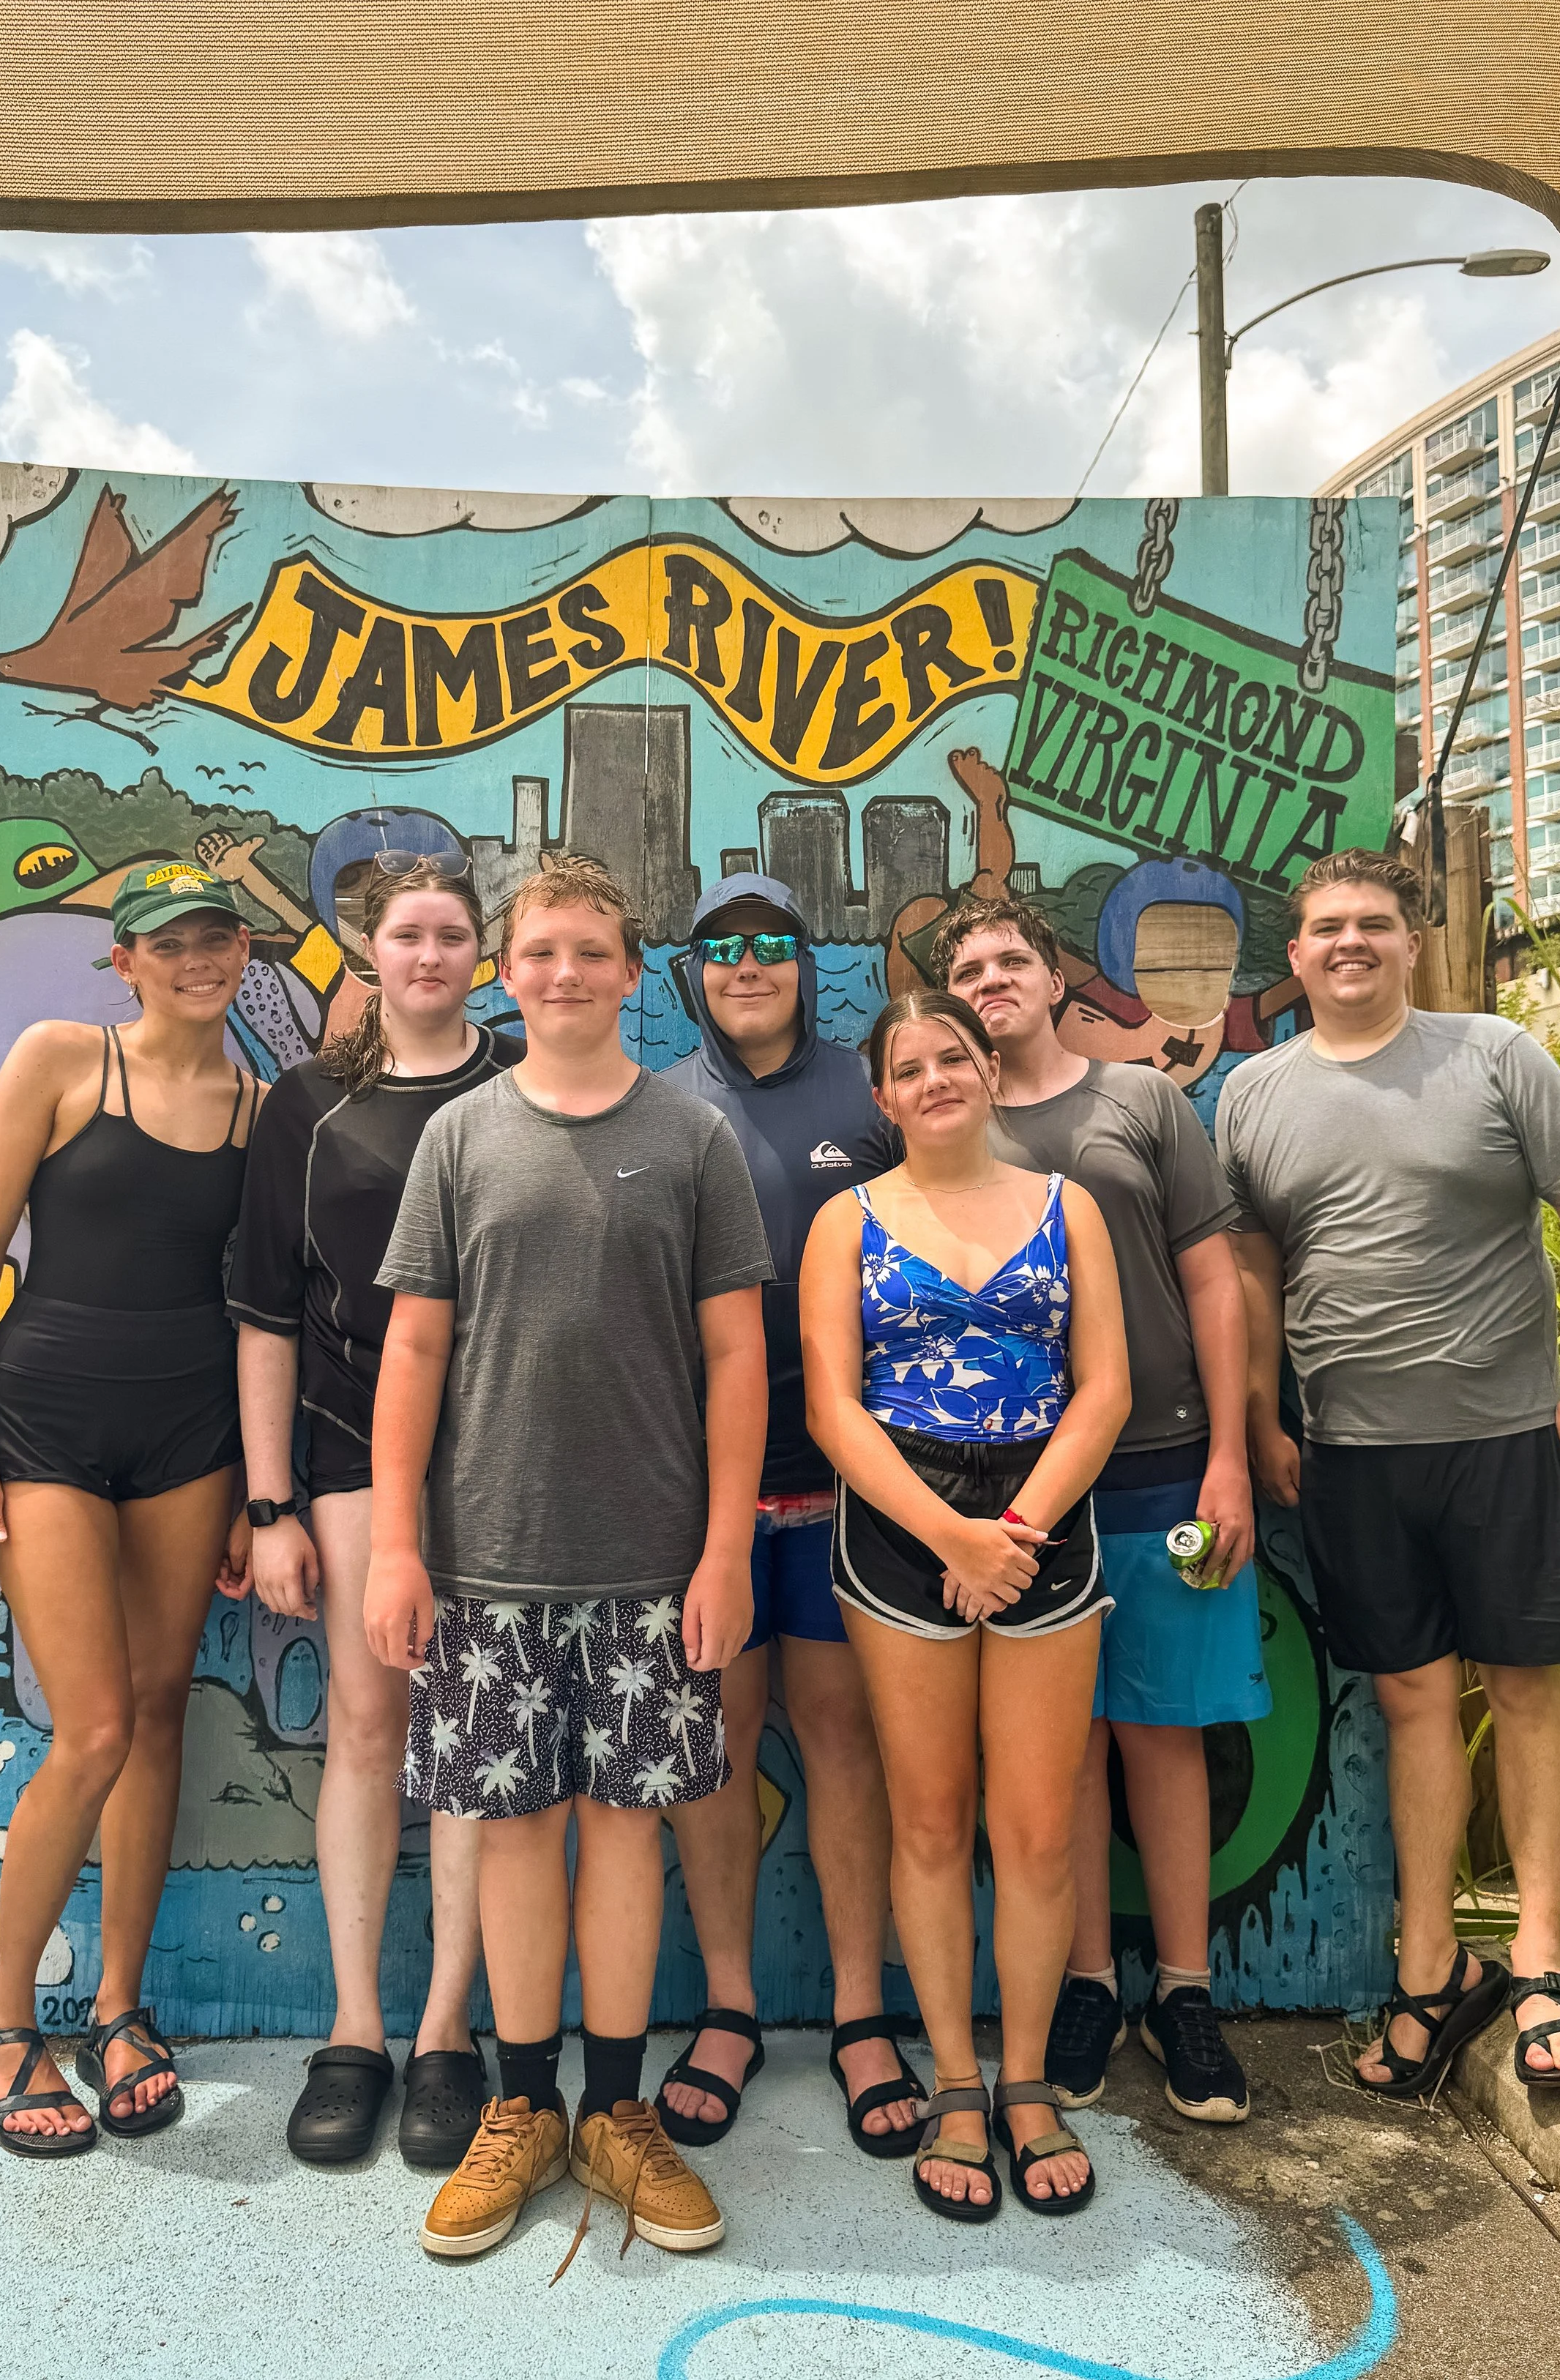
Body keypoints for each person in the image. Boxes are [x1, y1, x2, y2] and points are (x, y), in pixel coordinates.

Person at [364, 853, 773, 2267]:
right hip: (490, 1570)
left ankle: (616, 2107)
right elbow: (413, 1346)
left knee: (625, 1839)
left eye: (591, 951)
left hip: (657, 1570)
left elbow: (737, 1359)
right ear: (508, 968)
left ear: (627, 964)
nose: (564, 974)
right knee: (517, 1840)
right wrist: (397, 1545)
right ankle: (524, 2106)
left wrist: (724, 1550)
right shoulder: (462, 1140)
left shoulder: (695, 1137)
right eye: (540, 951)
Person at [1220, 846, 1560, 2099]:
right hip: (1349, 1452)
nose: (1350, 943)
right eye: (1327, 928)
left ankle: (1547, 1959)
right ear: (1292, 960)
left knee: (1523, 1688)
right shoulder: (1252, 1094)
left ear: (1411, 941)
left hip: (1509, 1434)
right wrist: (1261, 1416)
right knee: (1409, 1705)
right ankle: (1435, 1969)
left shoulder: (1496, 1053)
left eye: (1374, 925)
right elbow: (1252, 1268)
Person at [0, 860, 260, 2157]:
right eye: (168, 941)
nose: (197, 958)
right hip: (48, 1425)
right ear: (123, 961)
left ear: (243, 954)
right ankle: (5, 2020)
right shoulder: (63, 1059)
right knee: (94, 1727)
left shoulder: (262, 1106)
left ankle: (120, 2009)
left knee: (163, 1708)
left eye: (217, 938)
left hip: (193, 1432)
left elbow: (264, 1306)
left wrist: (254, 1488)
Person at [799, 989, 1130, 2222]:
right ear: (882, 1097)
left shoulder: (1069, 1207)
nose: (934, 1078)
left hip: (1046, 1507)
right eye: (909, 1066)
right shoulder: (849, 1220)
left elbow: (1104, 1387)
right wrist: (949, 1535)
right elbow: (833, 1405)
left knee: (1038, 1830)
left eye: (955, 1057)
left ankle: (1029, 2083)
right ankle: (952, 2079)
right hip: (900, 1517)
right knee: (929, 1820)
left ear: (990, 1073)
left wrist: (1016, 1535)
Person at [937, 894, 1259, 2124]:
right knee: (1054, 1747)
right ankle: (1083, 1981)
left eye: (1008, 957)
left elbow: (1213, 1280)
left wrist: (1230, 1452)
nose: (989, 979)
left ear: (1053, 974)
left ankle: (1183, 1992)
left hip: (1163, 1462)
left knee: (1164, 1731)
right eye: (965, 967)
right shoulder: (943, 1119)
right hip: (1013, 1488)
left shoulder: (1143, 1103)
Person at [229, 851, 523, 2168]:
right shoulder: (306, 1108)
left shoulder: (523, 1084)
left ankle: (449, 2033)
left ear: (485, 958)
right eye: (407, 935)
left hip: (506, 1454)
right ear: (368, 953)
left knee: (470, 1741)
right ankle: (356, 2028)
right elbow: (265, 1313)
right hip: (347, 1447)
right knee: (367, 1720)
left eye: (453, 935)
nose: (429, 956)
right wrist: (270, 1499)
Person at [659, 875, 922, 2159]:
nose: (749, 964)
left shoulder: (862, 1097)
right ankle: (729, 2004)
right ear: (691, 974)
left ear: (808, 965)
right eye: (724, 949)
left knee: (839, 1739)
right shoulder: (659, 1101)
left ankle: (864, 2012)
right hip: (701, 1487)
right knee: (714, 1742)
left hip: (844, 1479)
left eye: (773, 944)